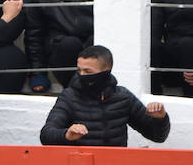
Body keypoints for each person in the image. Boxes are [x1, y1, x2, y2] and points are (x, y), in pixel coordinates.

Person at [40, 45, 170, 147]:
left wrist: (160, 119)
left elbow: (157, 136)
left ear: (107, 70)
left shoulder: (123, 97)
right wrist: (66, 135)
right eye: (79, 70)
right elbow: (46, 134)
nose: (82, 75)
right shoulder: (69, 96)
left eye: (88, 71)